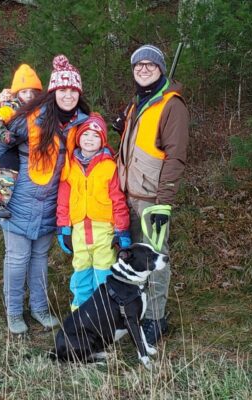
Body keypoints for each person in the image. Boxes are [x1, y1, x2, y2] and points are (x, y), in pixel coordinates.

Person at [0, 55, 90, 334]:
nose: (67, 96)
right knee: (18, 259)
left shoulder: (80, 124)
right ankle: (14, 312)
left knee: (40, 259)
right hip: (18, 203)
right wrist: (1, 138)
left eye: (72, 91)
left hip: (50, 205)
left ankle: (41, 309)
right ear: (53, 93)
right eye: (61, 91)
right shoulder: (26, 119)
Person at [115, 44, 190, 346]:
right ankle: (138, 310)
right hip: (128, 193)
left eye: (150, 64)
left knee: (155, 259)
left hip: (152, 200)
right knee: (134, 257)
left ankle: (156, 320)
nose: (143, 69)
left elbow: (175, 156)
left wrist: (164, 202)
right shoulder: (138, 103)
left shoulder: (173, 105)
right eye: (138, 65)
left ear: (160, 69)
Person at [56, 112, 131, 310]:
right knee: (80, 272)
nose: (90, 139)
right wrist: (63, 227)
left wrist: (122, 231)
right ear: (79, 137)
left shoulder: (109, 166)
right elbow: (63, 200)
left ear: (103, 140)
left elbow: (118, 200)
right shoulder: (69, 166)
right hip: (79, 230)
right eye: (86, 134)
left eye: (96, 135)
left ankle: (104, 314)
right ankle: (80, 314)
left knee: (103, 273)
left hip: (104, 231)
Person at [0, 64, 42, 218]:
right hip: (10, 146)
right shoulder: (11, 108)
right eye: (24, 92)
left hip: (30, 147)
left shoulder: (40, 108)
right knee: (8, 165)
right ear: (17, 93)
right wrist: (6, 135)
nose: (29, 95)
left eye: (33, 92)